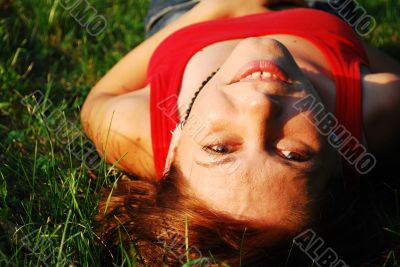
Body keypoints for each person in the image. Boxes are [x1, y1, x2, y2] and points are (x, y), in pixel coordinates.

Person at [81, 0, 400, 265]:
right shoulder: (376, 110)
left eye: (219, 148)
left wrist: (212, 9)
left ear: (174, 150)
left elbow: (96, 102)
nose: (259, 106)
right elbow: (357, 51)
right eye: (293, 155)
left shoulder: (136, 129)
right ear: (338, 163)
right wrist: (324, 23)